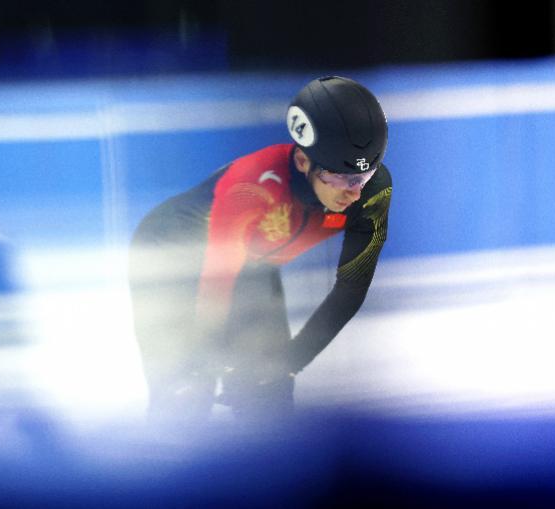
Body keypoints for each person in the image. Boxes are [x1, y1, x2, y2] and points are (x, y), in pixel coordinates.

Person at [128, 76, 392, 425]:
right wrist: (202, 362)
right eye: (341, 177)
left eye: (363, 176)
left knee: (270, 397)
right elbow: (217, 283)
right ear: (303, 161)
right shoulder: (253, 186)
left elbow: (351, 288)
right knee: (186, 396)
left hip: (251, 263)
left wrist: (291, 361)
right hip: (170, 253)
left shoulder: (373, 192)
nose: (354, 193)